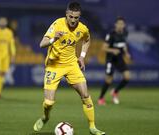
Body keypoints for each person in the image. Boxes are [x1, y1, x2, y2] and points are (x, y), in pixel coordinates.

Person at [33, 2, 105, 135]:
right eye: (70, 17)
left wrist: (82, 56)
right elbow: (42, 43)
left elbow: (87, 40)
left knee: (85, 95)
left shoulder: (82, 29)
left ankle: (92, 127)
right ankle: (46, 117)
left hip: (72, 65)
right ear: (66, 14)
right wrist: (54, 39)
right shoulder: (57, 24)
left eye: (76, 17)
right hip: (54, 66)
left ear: (79, 16)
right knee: (48, 103)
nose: (73, 20)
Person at [98, 17, 131, 105]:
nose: (120, 25)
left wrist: (126, 53)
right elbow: (103, 48)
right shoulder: (111, 34)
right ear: (115, 24)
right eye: (118, 23)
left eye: (122, 24)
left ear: (124, 25)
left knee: (127, 77)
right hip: (111, 59)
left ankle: (115, 92)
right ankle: (101, 98)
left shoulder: (125, 33)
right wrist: (113, 50)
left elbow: (124, 45)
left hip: (119, 58)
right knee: (109, 80)